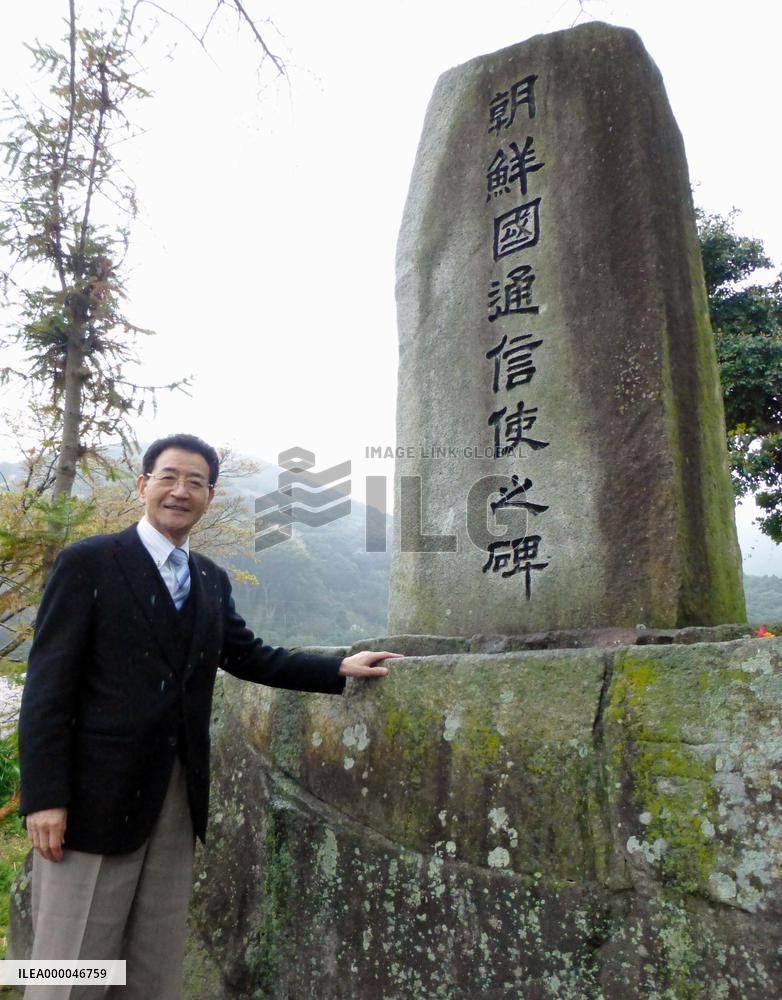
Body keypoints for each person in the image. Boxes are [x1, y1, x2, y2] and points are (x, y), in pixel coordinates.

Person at [18, 433, 400, 999]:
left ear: (210, 496)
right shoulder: (90, 563)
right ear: (143, 485)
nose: (180, 491)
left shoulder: (209, 581)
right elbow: (48, 686)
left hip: (175, 798)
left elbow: (249, 655)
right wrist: (44, 796)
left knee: (152, 965)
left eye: (195, 482)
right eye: (168, 477)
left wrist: (338, 668)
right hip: (91, 798)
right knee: (71, 970)